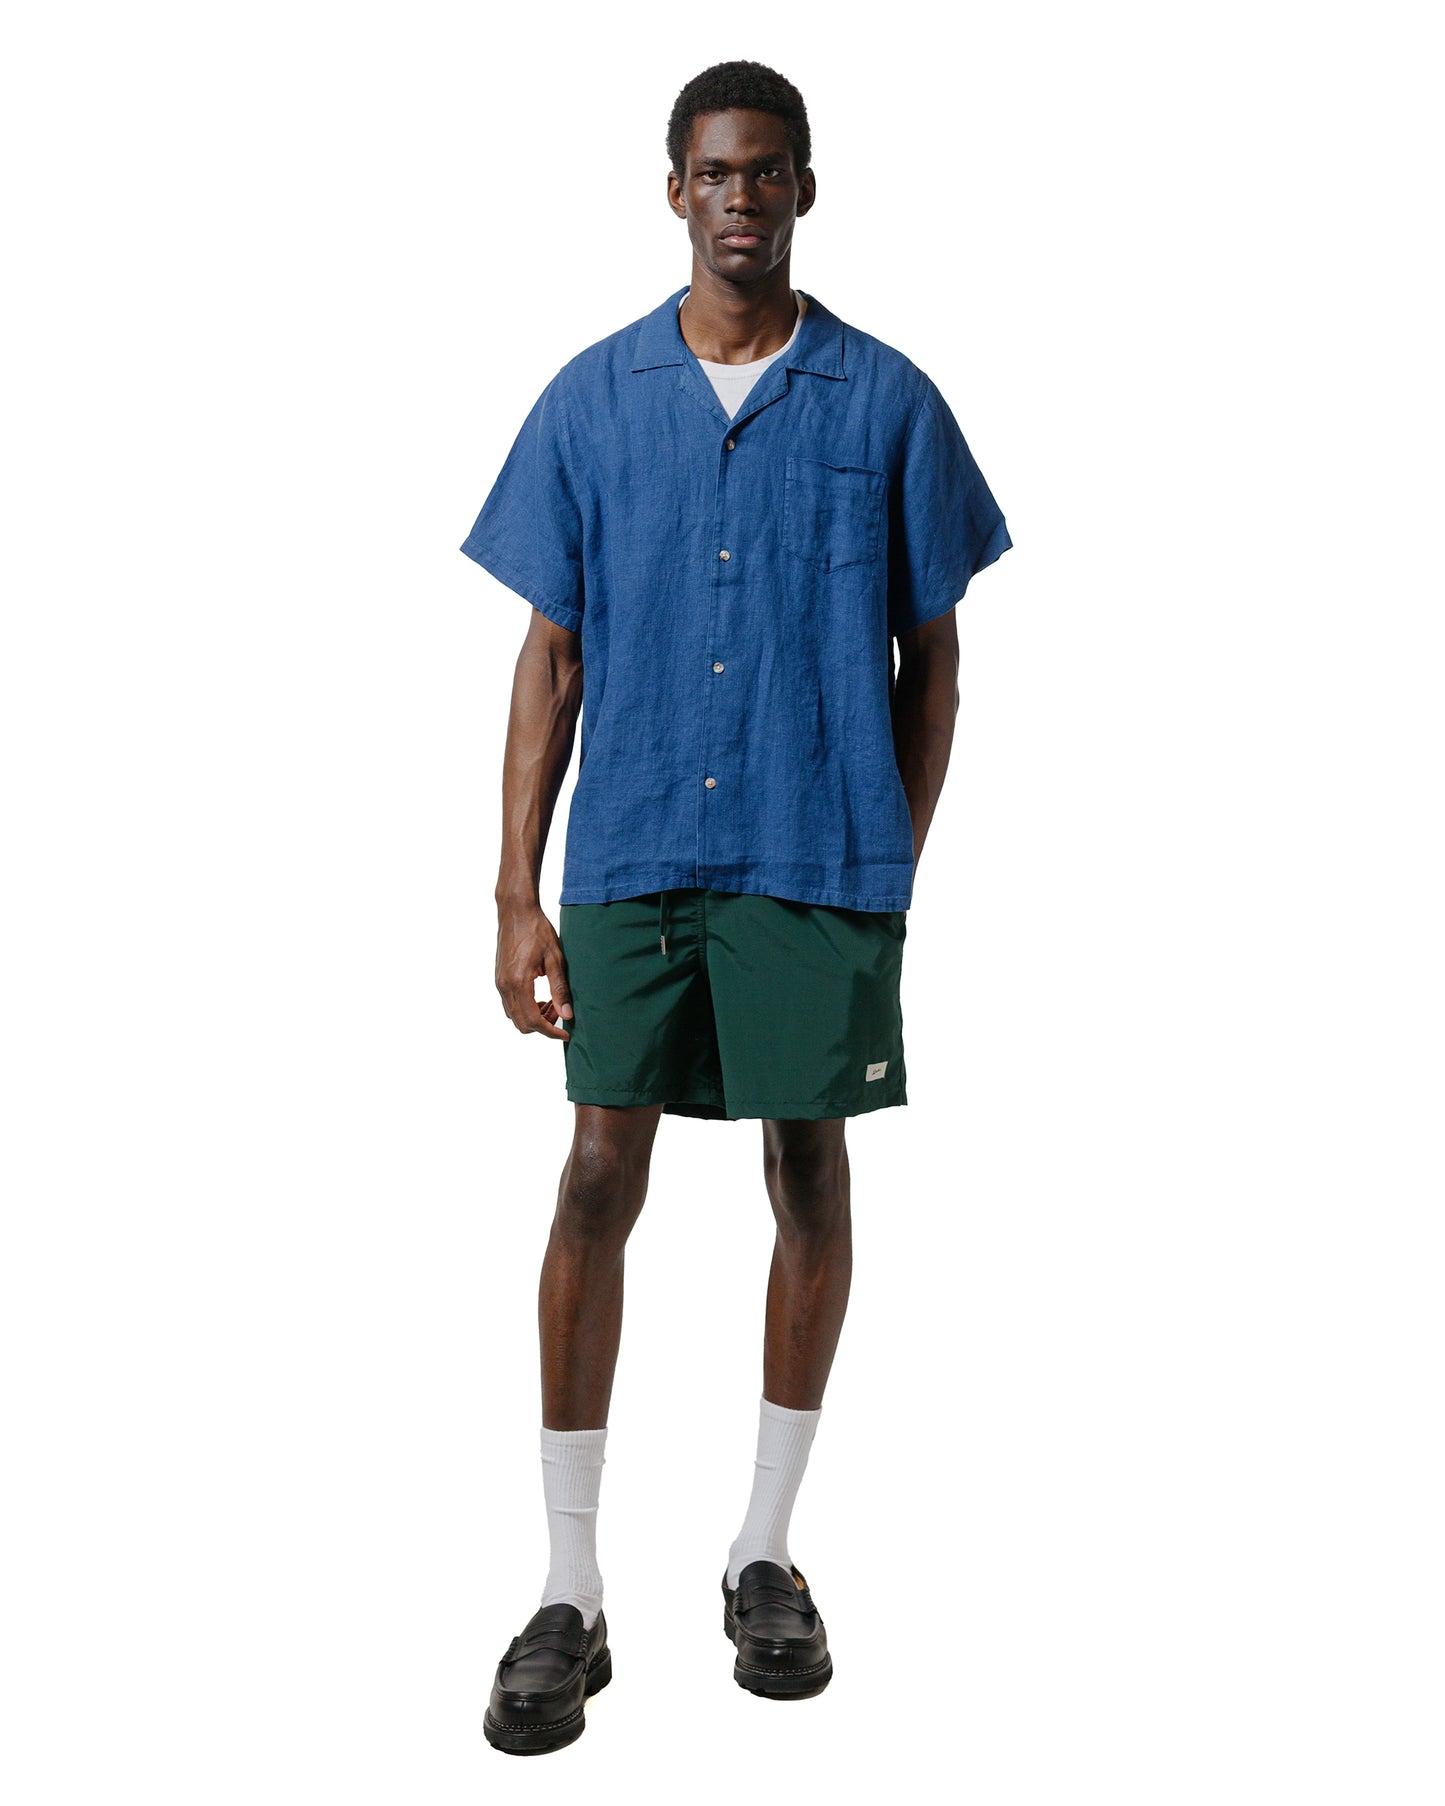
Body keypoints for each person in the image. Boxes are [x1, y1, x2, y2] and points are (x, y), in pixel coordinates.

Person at [460, 59, 1012, 1755]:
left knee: (807, 1164)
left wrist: (883, 854)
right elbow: (550, 654)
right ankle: (568, 1586)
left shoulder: (887, 401)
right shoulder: (592, 398)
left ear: (805, 190)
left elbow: (934, 659)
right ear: (673, 191)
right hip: (630, 846)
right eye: (714, 172)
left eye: (767, 171)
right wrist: (512, 892)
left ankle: (765, 1551)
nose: (740, 199)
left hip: (811, 850)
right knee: (595, 1168)